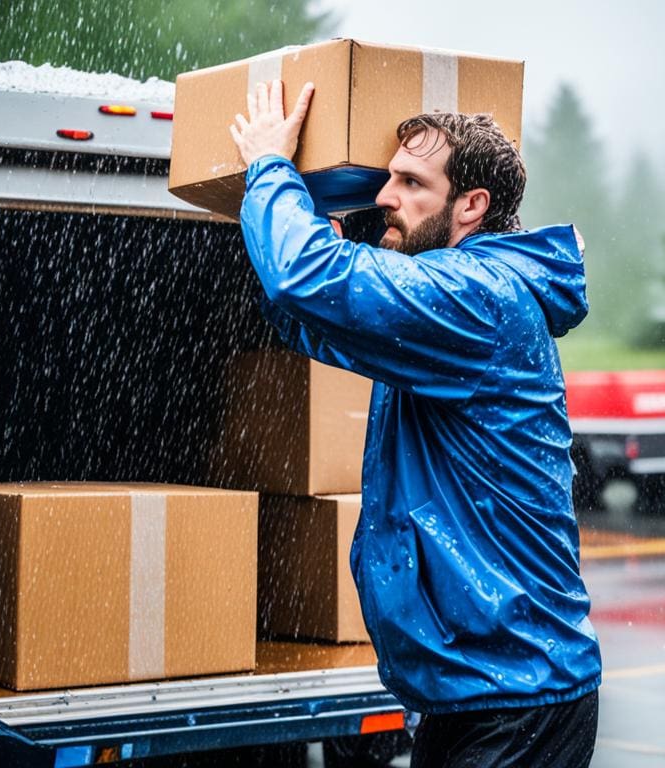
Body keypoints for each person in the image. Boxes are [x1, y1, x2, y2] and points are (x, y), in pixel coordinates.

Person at [230, 79, 602, 767]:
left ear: (472, 205)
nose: (383, 197)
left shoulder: (476, 296)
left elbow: (302, 280)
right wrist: (300, 241)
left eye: (409, 182)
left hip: (518, 697)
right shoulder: (459, 301)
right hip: (482, 691)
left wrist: (270, 168)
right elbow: (309, 315)